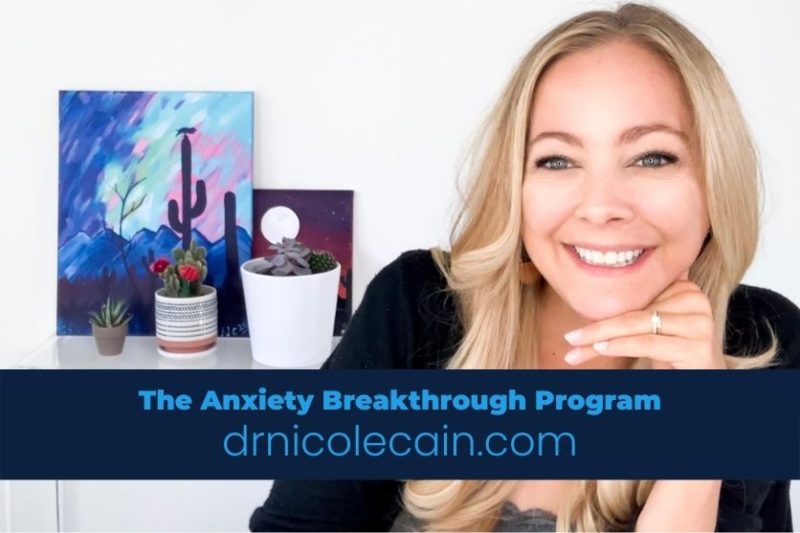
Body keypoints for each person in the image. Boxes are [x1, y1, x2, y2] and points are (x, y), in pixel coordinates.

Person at [250, 2, 800, 531]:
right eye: (557, 160)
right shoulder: (413, 305)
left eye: (652, 157)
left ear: (713, 180)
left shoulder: (766, 344)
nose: (601, 206)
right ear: (516, 185)